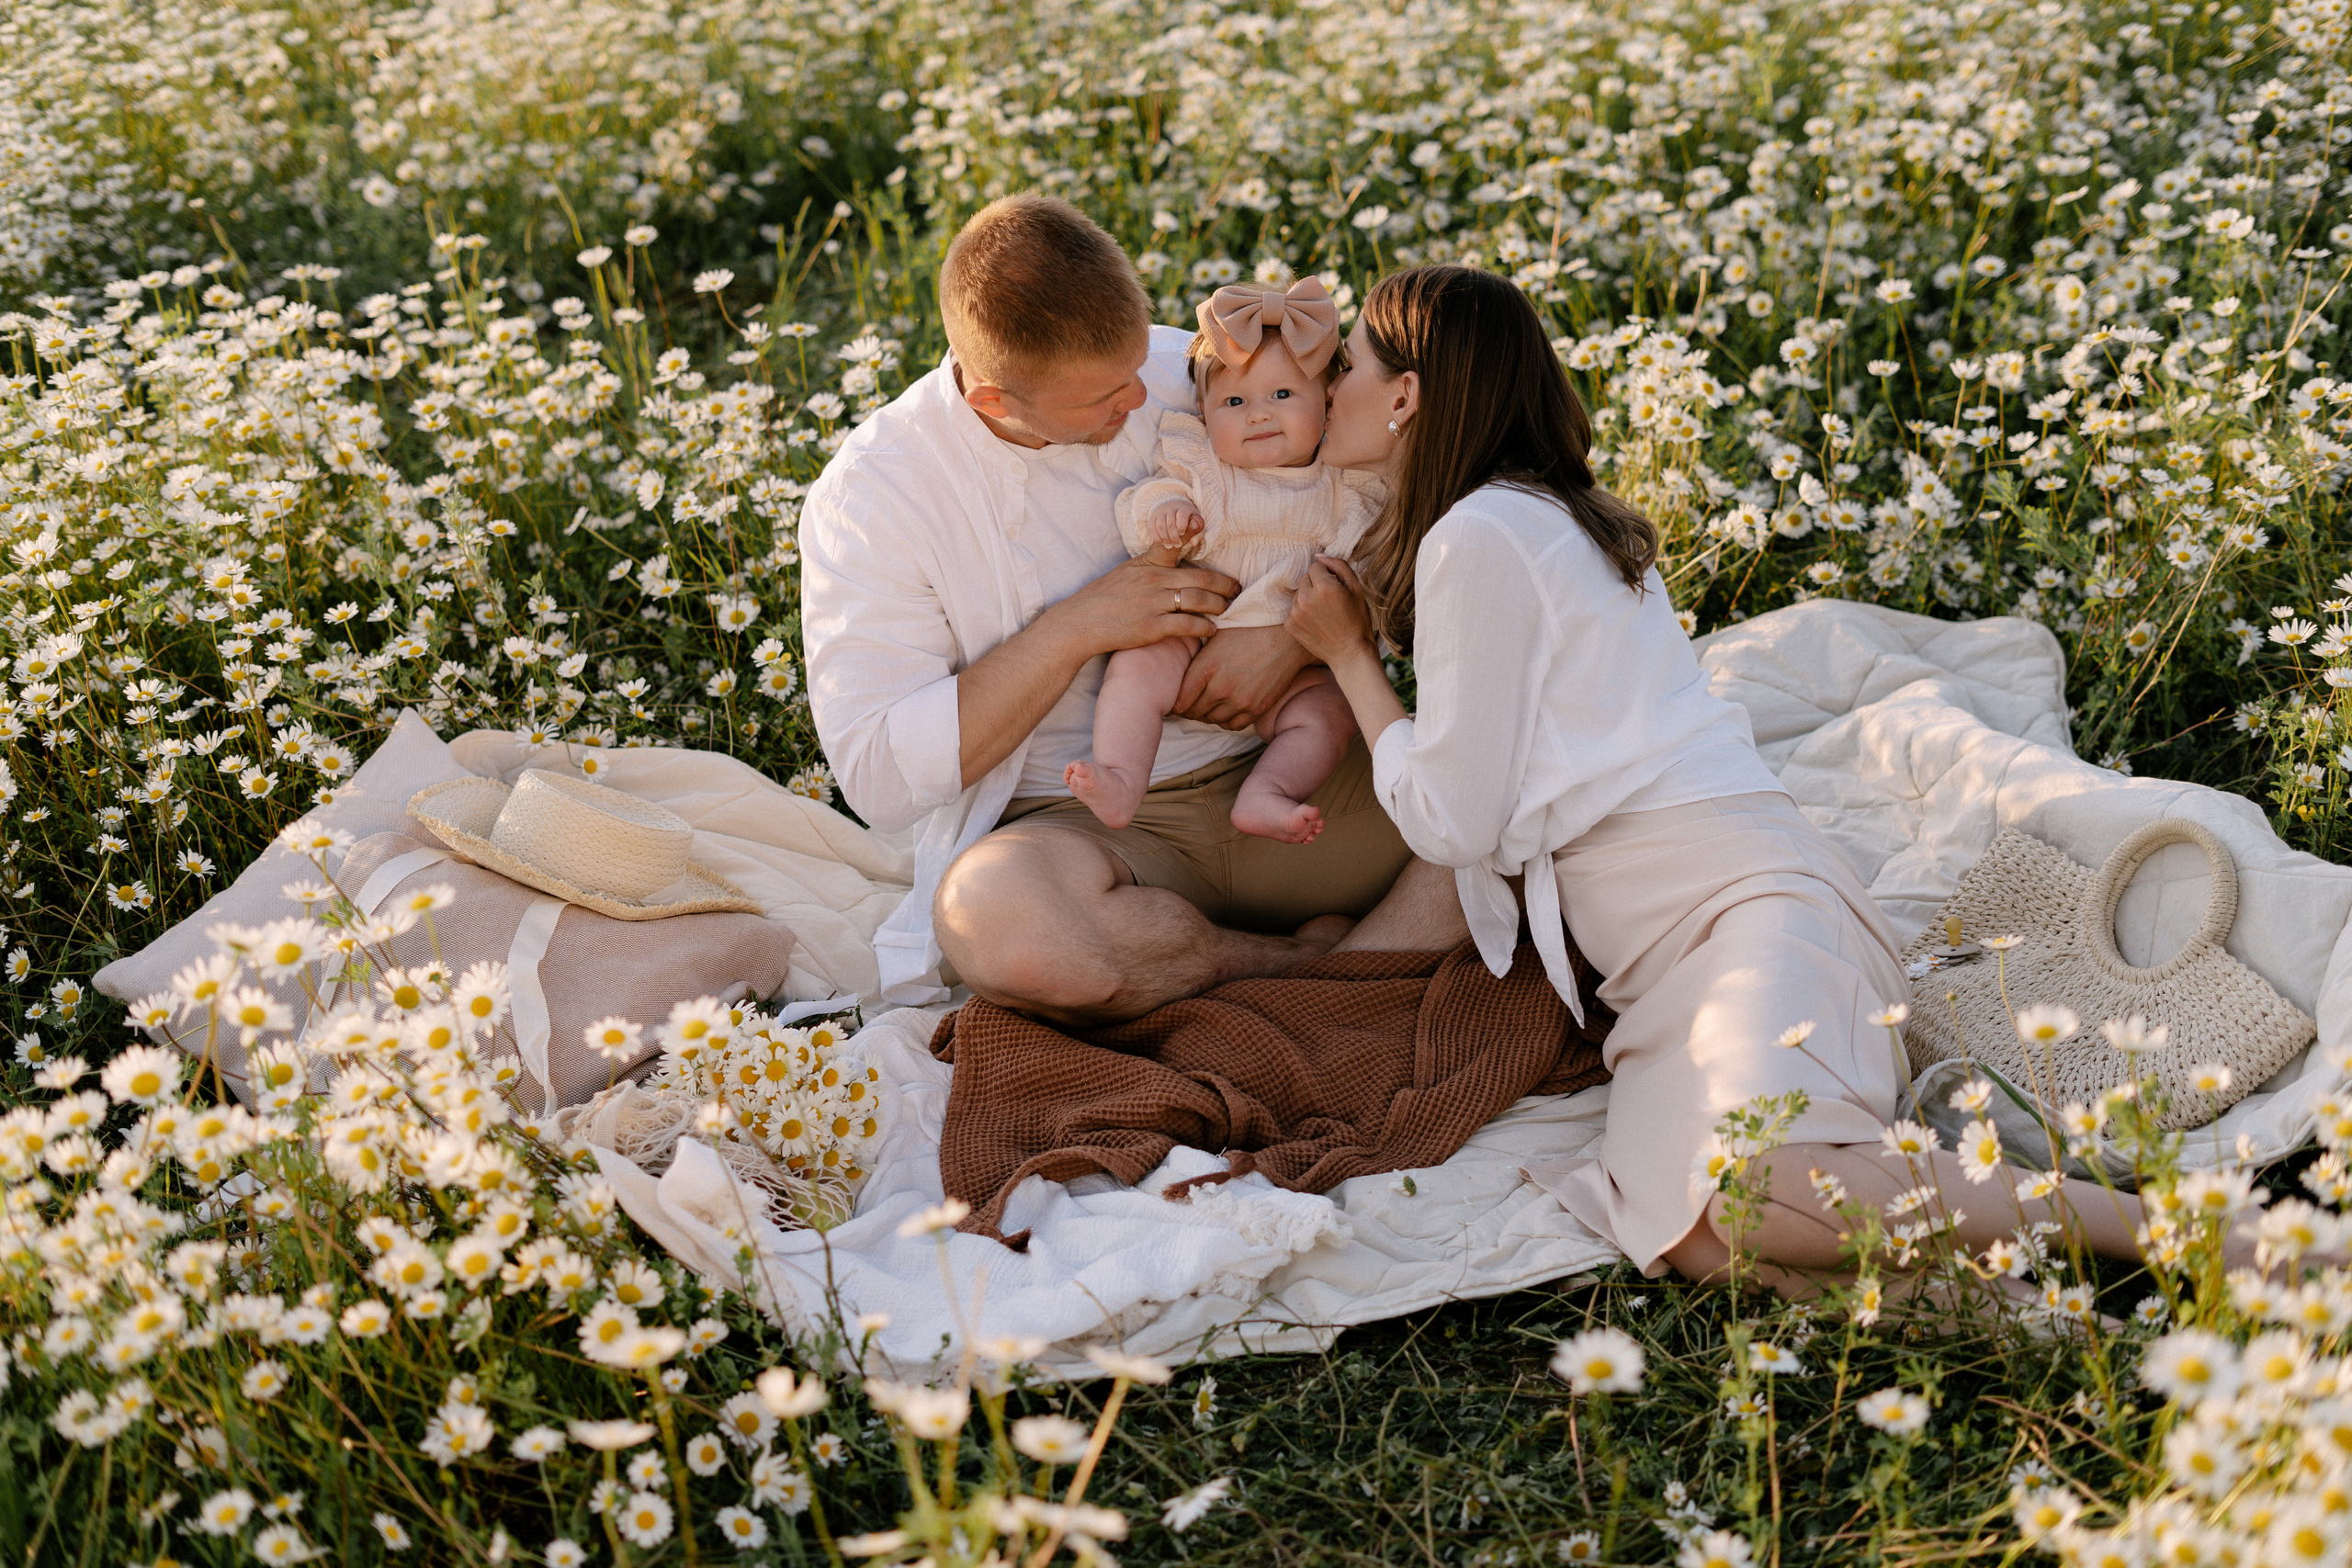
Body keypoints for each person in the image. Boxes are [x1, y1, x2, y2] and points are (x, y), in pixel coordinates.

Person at [1283, 263, 2168, 1289]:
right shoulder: (1536, 514)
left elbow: (1455, 820)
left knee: (1753, 1191)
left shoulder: (1477, 536)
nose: (1327, 389)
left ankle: (2173, 1233)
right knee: (1693, 1234)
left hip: (1743, 910)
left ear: (1404, 397)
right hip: (1670, 960)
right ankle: (2006, 1306)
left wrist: (1350, 660)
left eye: (1345, 366)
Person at [800, 195, 1464, 1021]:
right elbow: (880, 776)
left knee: (1529, 804)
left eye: (1136, 367)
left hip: (1298, 777)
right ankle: (1296, 969)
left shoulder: (1190, 369)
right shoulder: (874, 495)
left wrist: (1294, 645)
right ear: (993, 402)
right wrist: (1081, 627)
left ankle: (1279, 978)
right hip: (1097, 829)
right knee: (998, 924)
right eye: (1101, 401)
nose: (1137, 401)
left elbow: (1376, 500)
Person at [1066, 276, 1384, 845]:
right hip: (1195, 630)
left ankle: (1268, 793)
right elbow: (1143, 502)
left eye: (1283, 395)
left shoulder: (1346, 486)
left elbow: (1374, 566)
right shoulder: (1204, 471)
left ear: (1328, 401)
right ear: (1206, 415)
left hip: (1297, 659)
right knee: (1135, 670)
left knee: (1331, 713)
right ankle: (1121, 775)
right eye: (1234, 402)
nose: (1258, 415)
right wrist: (1167, 511)